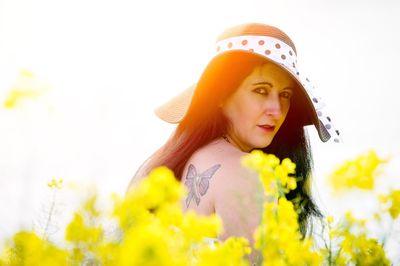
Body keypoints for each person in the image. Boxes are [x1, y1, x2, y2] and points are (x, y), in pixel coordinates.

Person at [128, 23, 340, 262]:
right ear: (221, 95)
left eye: (285, 95)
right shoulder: (246, 172)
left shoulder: (158, 167)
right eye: (261, 90)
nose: (277, 109)